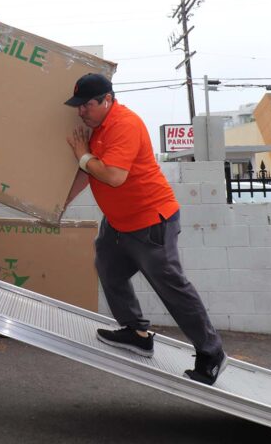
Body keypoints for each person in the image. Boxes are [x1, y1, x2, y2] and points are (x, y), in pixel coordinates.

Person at [64, 73, 227, 386]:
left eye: (86, 105)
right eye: (78, 106)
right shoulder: (98, 130)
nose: (80, 111)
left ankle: (211, 352)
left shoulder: (124, 125)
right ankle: (136, 332)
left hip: (151, 221)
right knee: (108, 267)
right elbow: (89, 172)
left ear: (107, 100)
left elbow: (112, 176)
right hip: (118, 222)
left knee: (171, 287)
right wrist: (62, 203)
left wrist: (82, 154)